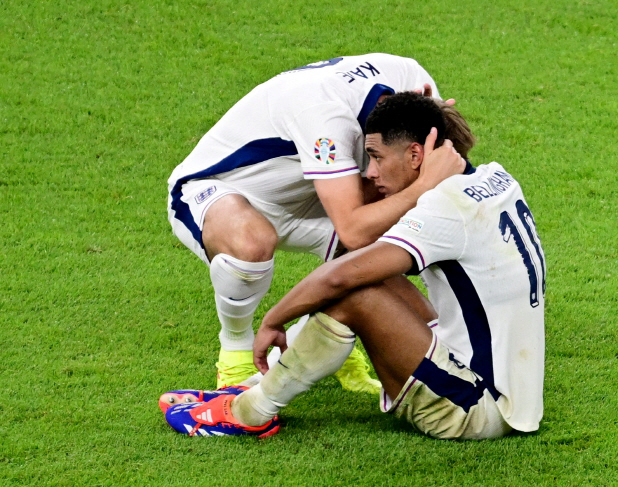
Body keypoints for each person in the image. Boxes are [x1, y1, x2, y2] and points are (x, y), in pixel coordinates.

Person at [164, 92, 546, 440]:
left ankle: (249, 412)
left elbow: (339, 278)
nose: (370, 172)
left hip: (474, 409)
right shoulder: (494, 177)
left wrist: (273, 321)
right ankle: (252, 386)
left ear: (416, 156)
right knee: (370, 276)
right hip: (506, 390)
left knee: (354, 294)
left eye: (377, 157)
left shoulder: (445, 209)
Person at [166, 54, 465, 391]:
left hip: (318, 194)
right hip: (223, 191)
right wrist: (423, 187)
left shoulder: (413, 82)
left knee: (377, 252)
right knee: (253, 243)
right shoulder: (323, 116)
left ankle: (354, 335)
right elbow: (353, 229)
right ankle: (235, 350)